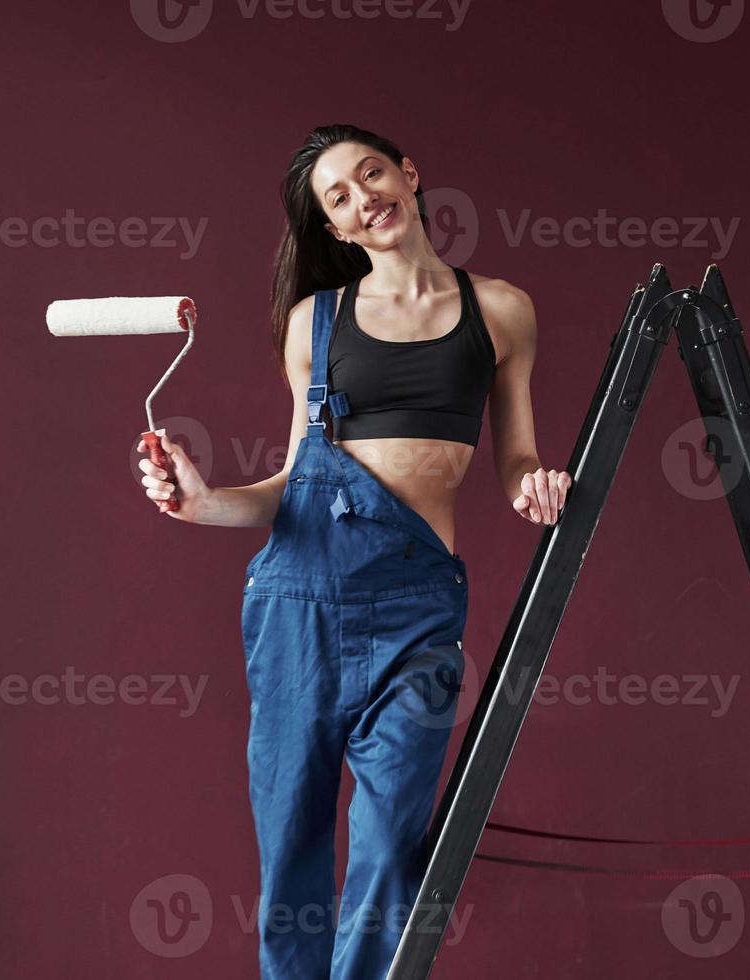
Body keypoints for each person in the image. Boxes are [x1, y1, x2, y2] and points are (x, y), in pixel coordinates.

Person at [135, 123, 571, 978]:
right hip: (298, 604)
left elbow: (515, 458)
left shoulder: (501, 310)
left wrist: (532, 484)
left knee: (394, 837)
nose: (362, 196)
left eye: (370, 173)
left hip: (415, 610)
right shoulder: (315, 322)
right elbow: (288, 486)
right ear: (333, 230)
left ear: (407, 175)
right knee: (292, 845)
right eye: (338, 197)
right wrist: (202, 501)